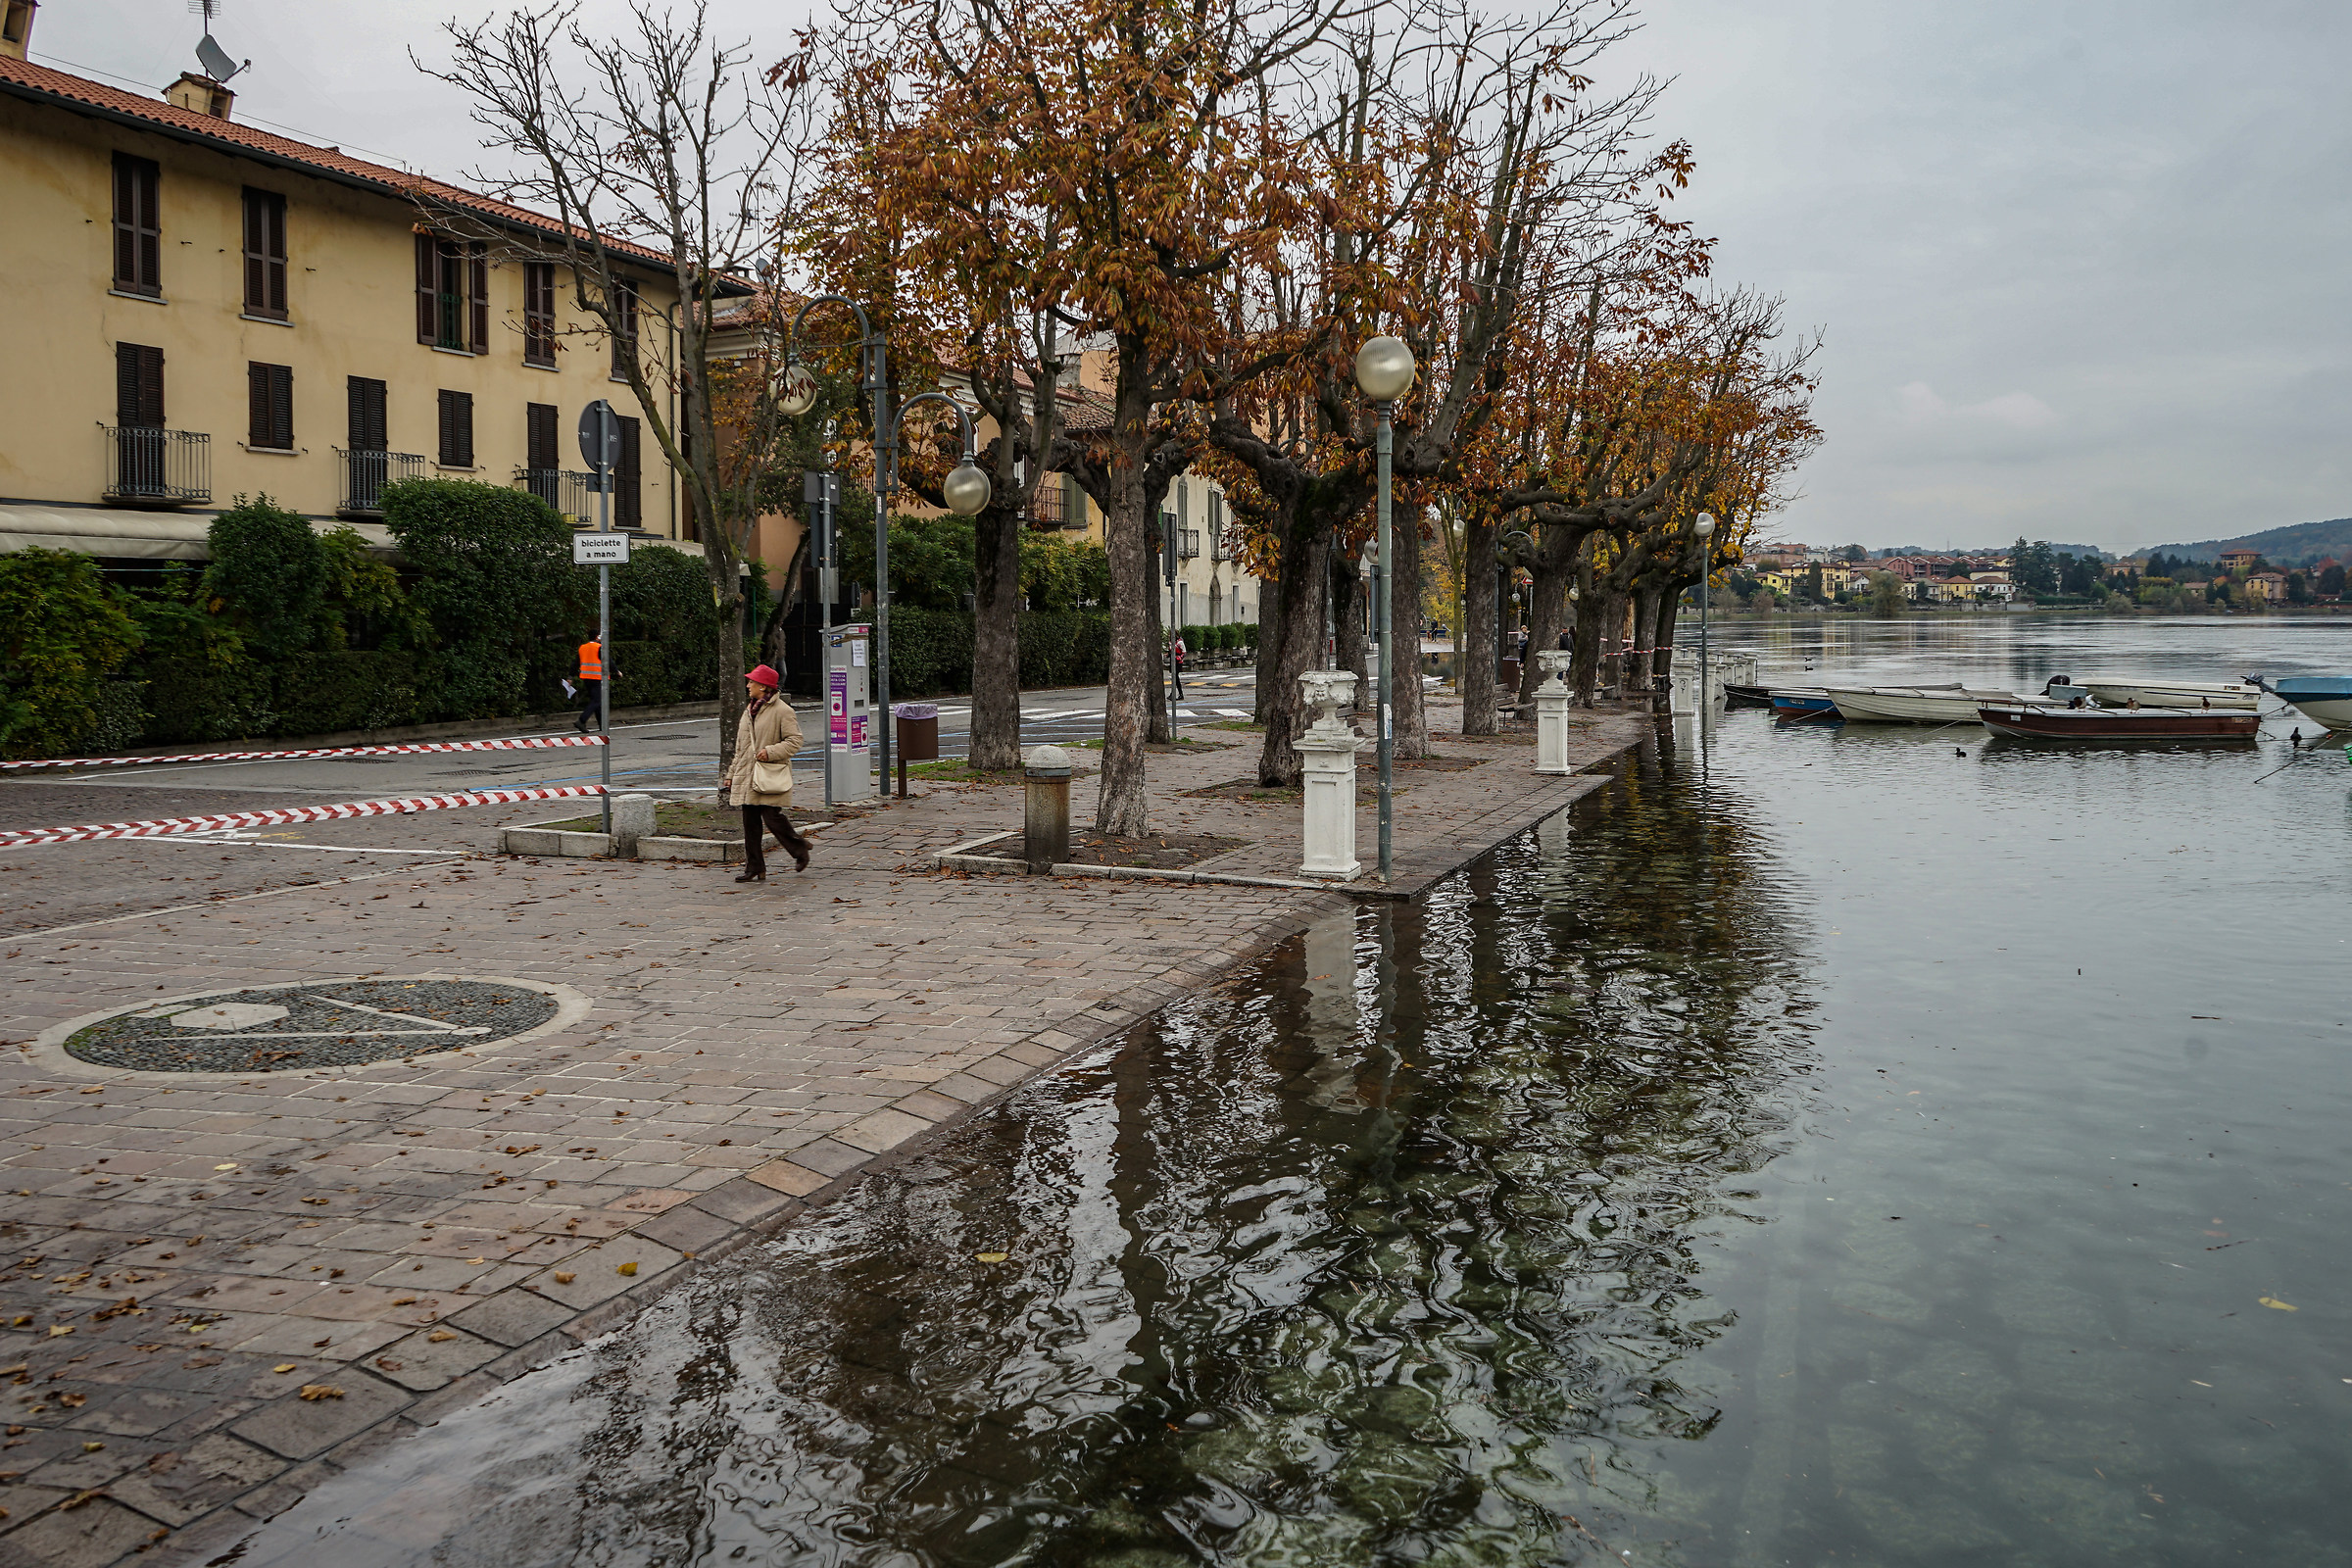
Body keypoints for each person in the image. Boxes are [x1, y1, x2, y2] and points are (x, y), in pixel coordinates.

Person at [724, 664, 810, 881]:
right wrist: (731, 774)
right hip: (748, 774)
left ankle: (800, 849)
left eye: (752, 682)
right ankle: (754, 867)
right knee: (750, 822)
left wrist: (770, 752)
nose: (748, 685)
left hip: (769, 772)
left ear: (763, 686)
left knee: (772, 817)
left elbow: (795, 741)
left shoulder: (782, 710)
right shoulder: (749, 710)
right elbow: (741, 748)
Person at [573, 633, 605, 733]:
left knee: (596, 702)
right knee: (596, 701)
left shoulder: (583, 647)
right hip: (596, 677)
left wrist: (570, 676)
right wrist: (617, 671)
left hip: (586, 677)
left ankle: (602, 725)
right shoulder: (599, 647)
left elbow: (575, 663)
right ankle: (582, 720)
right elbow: (608, 661)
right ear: (597, 637)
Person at [1169, 632, 1188, 701]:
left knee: (1175, 677)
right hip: (1172, 660)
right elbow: (1171, 651)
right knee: (1174, 677)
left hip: (1178, 662)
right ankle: (1173, 693)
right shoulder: (1171, 642)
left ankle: (1179, 694)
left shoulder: (1180, 643)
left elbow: (1184, 652)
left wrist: (1180, 657)